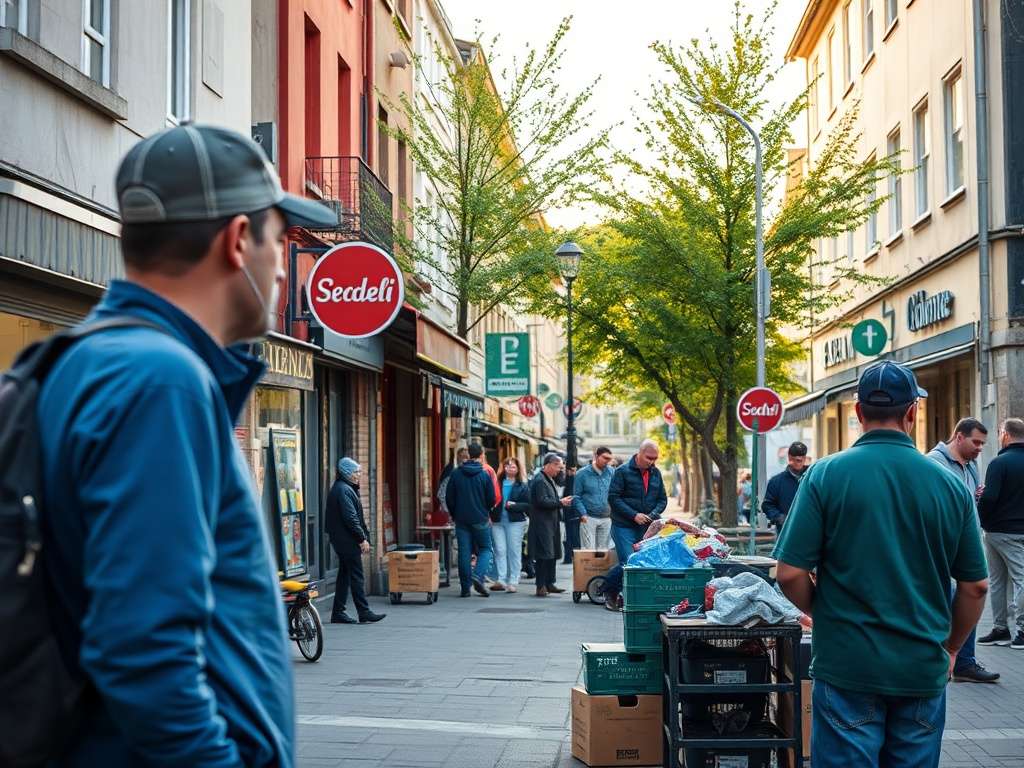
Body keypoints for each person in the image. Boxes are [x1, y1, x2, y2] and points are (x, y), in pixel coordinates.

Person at [37, 123, 339, 766]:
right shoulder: (160, 381)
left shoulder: (87, 360)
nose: (284, 264)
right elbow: (146, 647)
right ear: (237, 241)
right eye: (280, 239)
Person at [774, 361, 988, 768]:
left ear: (857, 412)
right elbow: (975, 587)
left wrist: (827, 615)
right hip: (922, 666)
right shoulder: (950, 485)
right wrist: (953, 648)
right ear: (913, 413)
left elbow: (788, 573)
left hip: (847, 664)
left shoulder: (824, 475)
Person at [926, 418, 999, 682]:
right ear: (958, 437)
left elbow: (970, 500)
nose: (980, 448)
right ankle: (953, 657)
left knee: (970, 592)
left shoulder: (971, 465)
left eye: (982, 443)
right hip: (943, 541)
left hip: (966, 539)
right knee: (956, 593)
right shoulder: (934, 464)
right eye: (976, 442)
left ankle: (962, 661)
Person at [976, 418, 1024, 651]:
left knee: (1002, 580)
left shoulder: (999, 463)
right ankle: (1002, 630)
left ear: (1004, 434)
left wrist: (981, 518)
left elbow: (990, 496)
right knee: (1015, 578)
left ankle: (1012, 630)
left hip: (999, 531)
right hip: (1015, 531)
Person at [325, 458, 386, 625]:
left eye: (360, 472)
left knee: (345, 575)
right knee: (358, 575)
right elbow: (351, 518)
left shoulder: (344, 488)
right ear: (347, 473)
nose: (360, 475)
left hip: (342, 538)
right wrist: (361, 538)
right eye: (357, 472)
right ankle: (364, 612)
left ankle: (338, 612)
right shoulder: (344, 490)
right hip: (346, 539)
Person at [445, 442, 495, 598]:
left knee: (464, 552)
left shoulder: (455, 474)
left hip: (461, 519)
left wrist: (455, 515)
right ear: (480, 455)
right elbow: (491, 499)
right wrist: (485, 511)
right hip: (480, 518)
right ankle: (478, 576)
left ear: (468, 454)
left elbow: (449, 498)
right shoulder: (484, 475)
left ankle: (465, 588)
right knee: (486, 548)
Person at [608, 439, 668, 565]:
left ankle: (606, 583)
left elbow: (662, 500)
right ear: (640, 453)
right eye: (648, 457)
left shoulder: (656, 473)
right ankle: (604, 584)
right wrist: (633, 515)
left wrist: (651, 515)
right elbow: (613, 498)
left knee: (644, 563)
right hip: (623, 526)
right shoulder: (622, 471)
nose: (651, 461)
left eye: (655, 458)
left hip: (647, 527)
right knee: (629, 562)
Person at [529, 452, 572, 596]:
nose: (559, 470)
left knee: (552, 553)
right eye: (557, 467)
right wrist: (560, 502)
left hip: (551, 521)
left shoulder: (548, 479)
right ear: (548, 465)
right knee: (544, 554)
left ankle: (549, 583)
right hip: (542, 523)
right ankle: (540, 585)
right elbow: (542, 501)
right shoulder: (540, 480)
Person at [489, 456, 532, 592]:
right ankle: (501, 579)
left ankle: (513, 580)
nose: (510, 468)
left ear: (518, 469)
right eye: (507, 466)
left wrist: (515, 505)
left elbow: (528, 505)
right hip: (497, 521)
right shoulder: (497, 483)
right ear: (503, 467)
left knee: (513, 551)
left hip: (515, 522)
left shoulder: (523, 486)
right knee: (500, 550)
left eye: (513, 466)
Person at [574, 446, 615, 550]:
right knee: (588, 551)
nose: (607, 461)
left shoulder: (611, 472)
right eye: (605, 458)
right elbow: (576, 496)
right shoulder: (582, 473)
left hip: (607, 518)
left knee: (602, 551)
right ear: (596, 457)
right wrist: (583, 513)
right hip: (589, 517)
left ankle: (601, 567)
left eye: (609, 459)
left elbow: (616, 493)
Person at [762, 441, 808, 530]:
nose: (799, 463)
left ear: (805, 458)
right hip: (785, 530)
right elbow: (768, 505)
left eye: (801, 460)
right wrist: (780, 518)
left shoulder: (811, 478)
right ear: (789, 457)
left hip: (808, 528)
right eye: (796, 460)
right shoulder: (776, 482)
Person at [435, 446, 469, 524]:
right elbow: (442, 494)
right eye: (463, 457)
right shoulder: (451, 473)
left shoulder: (453, 473)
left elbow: (441, 494)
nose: (464, 460)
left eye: (466, 458)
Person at [561, 465, 581, 564]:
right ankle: (570, 556)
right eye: (571, 470)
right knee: (572, 536)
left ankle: (571, 556)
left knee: (573, 536)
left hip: (573, 514)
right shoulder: (570, 481)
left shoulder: (572, 481)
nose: (572, 472)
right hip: (571, 514)